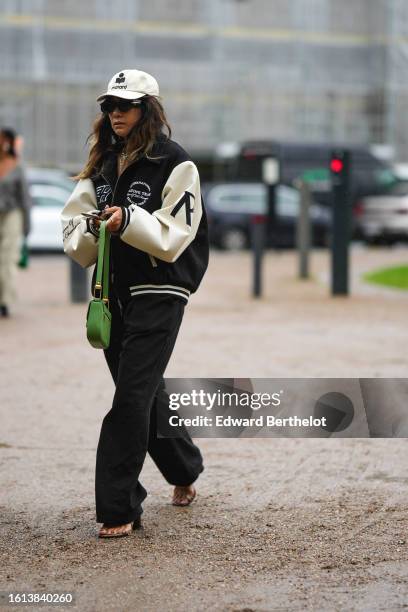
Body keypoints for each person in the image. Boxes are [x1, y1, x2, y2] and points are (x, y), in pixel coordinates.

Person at [61, 69, 209, 538]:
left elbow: (173, 238)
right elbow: (73, 234)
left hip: (161, 290)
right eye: (109, 105)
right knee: (142, 392)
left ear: (148, 108)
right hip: (112, 294)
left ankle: (118, 507)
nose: (115, 113)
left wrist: (127, 220)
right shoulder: (101, 164)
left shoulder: (177, 163)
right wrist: (93, 226)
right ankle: (185, 468)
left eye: (125, 104)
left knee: (129, 397)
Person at [0, 128, 31, 318]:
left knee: (8, 258)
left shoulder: (17, 166)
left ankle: (5, 301)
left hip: (13, 213)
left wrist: (27, 226)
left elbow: (25, 198)